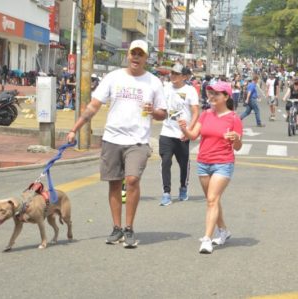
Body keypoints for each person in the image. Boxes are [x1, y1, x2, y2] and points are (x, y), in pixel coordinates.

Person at [66, 39, 167, 248]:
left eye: (141, 54)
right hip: (112, 138)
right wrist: (74, 129)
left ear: (146, 58)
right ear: (128, 55)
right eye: (133, 53)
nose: (136, 57)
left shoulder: (154, 82)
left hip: (138, 141)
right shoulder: (113, 78)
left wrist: (153, 111)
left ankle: (129, 228)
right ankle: (117, 228)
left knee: (131, 180)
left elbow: (162, 114)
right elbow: (93, 106)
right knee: (114, 182)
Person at [178, 81, 243, 254]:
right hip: (203, 162)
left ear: (226, 97)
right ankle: (223, 231)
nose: (212, 96)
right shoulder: (206, 114)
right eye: (210, 93)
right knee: (212, 200)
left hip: (223, 163)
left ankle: (207, 238)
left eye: (217, 94)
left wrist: (235, 138)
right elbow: (193, 136)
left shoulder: (234, 118)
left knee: (212, 199)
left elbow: (237, 147)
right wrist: (184, 130)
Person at [159, 63, 200, 206]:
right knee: (165, 162)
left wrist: (189, 131)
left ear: (184, 76)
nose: (173, 76)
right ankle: (166, 193)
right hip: (166, 131)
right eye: (172, 73)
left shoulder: (190, 91)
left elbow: (195, 112)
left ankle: (183, 187)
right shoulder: (165, 88)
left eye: (176, 74)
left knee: (183, 164)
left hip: (182, 134)